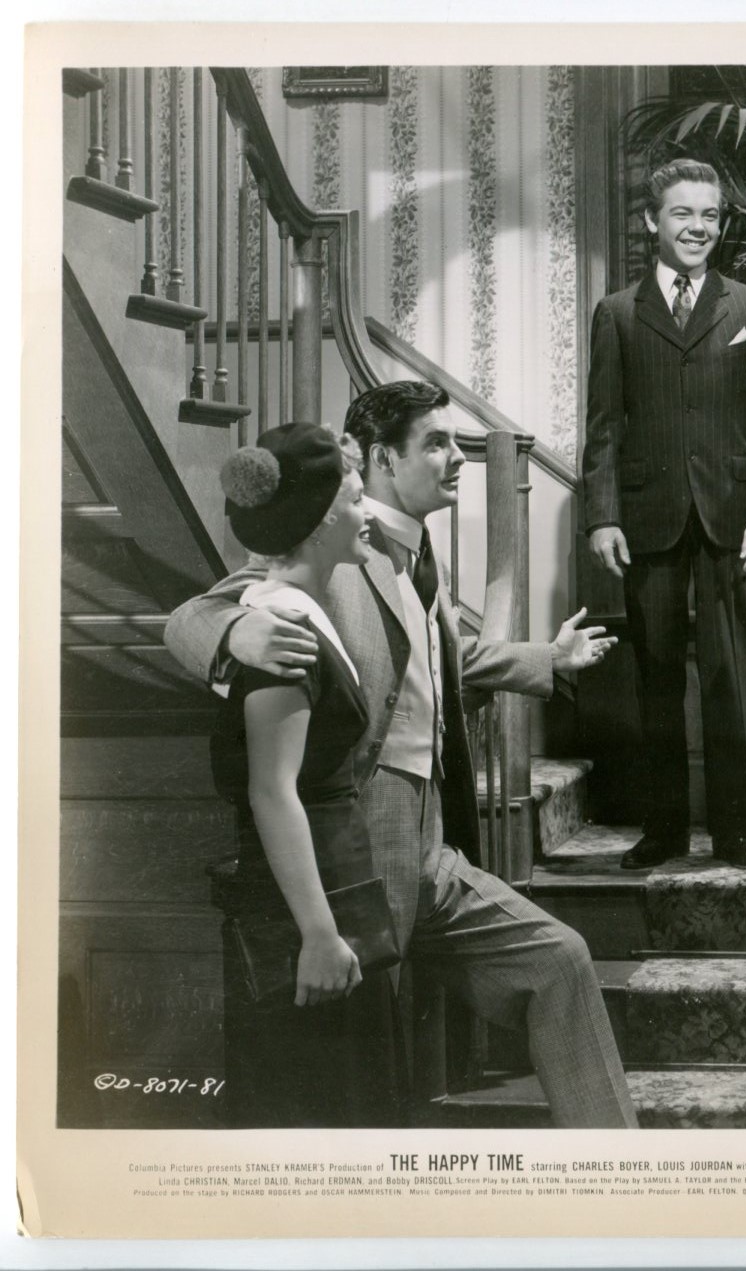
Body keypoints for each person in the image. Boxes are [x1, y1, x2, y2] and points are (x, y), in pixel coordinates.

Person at [166, 381, 638, 1129]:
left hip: (430, 835)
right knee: (363, 1061)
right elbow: (193, 614)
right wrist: (234, 634)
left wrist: (546, 658)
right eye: (436, 444)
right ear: (382, 460)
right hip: (360, 834)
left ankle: (613, 1169)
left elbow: (442, 661)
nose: (458, 458)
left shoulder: (418, 553)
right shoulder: (329, 543)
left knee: (560, 960)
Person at [582, 158, 746, 873]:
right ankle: (664, 830)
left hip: (731, 520)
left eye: (710, 215)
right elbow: (603, 427)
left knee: (728, 679)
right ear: (652, 221)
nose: (698, 227)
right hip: (649, 517)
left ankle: (736, 833)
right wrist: (602, 517)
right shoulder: (617, 313)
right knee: (658, 676)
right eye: (682, 213)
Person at [207, 423, 402, 1126]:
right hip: (304, 911)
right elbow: (271, 789)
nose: (367, 511)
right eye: (354, 498)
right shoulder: (280, 628)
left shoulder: (298, 609)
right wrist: (319, 935)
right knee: (315, 1109)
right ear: (320, 522)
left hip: (334, 884)